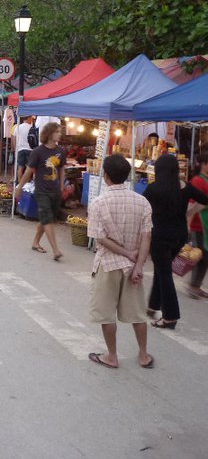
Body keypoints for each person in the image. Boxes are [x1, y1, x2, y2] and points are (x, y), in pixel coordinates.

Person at [87, 154, 154, 369]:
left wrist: (125, 252)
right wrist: (138, 264)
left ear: (105, 175)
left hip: (108, 264)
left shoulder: (98, 202)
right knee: (138, 313)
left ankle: (112, 356)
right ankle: (143, 355)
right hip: (132, 267)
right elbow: (146, 236)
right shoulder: (142, 202)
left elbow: (99, 237)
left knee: (106, 314)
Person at [143, 154, 208, 328]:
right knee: (162, 270)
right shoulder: (185, 187)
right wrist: (189, 212)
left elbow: (142, 210)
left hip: (159, 236)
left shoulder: (153, 188)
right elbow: (205, 200)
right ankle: (153, 306)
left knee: (164, 274)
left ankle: (170, 317)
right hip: (179, 236)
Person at [15, 122, 66, 260]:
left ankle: (35, 242)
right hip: (42, 191)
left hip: (55, 190)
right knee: (47, 219)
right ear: (49, 134)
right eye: (57, 132)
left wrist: (61, 186)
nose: (60, 134)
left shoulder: (61, 151)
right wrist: (19, 187)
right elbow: (28, 171)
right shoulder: (37, 152)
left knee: (46, 218)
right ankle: (55, 250)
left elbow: (62, 169)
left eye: (60, 131)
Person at [188, 153, 208, 299]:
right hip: (198, 223)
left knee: (205, 257)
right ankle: (193, 286)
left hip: (206, 224)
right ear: (203, 164)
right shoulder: (197, 180)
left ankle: (196, 285)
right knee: (200, 256)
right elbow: (192, 203)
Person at [13, 116, 37, 182]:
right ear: (28, 118)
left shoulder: (18, 127)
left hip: (20, 149)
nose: (32, 120)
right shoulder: (31, 127)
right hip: (30, 149)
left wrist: (15, 149)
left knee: (20, 167)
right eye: (31, 118)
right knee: (32, 168)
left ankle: (20, 183)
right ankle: (32, 183)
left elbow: (14, 139)